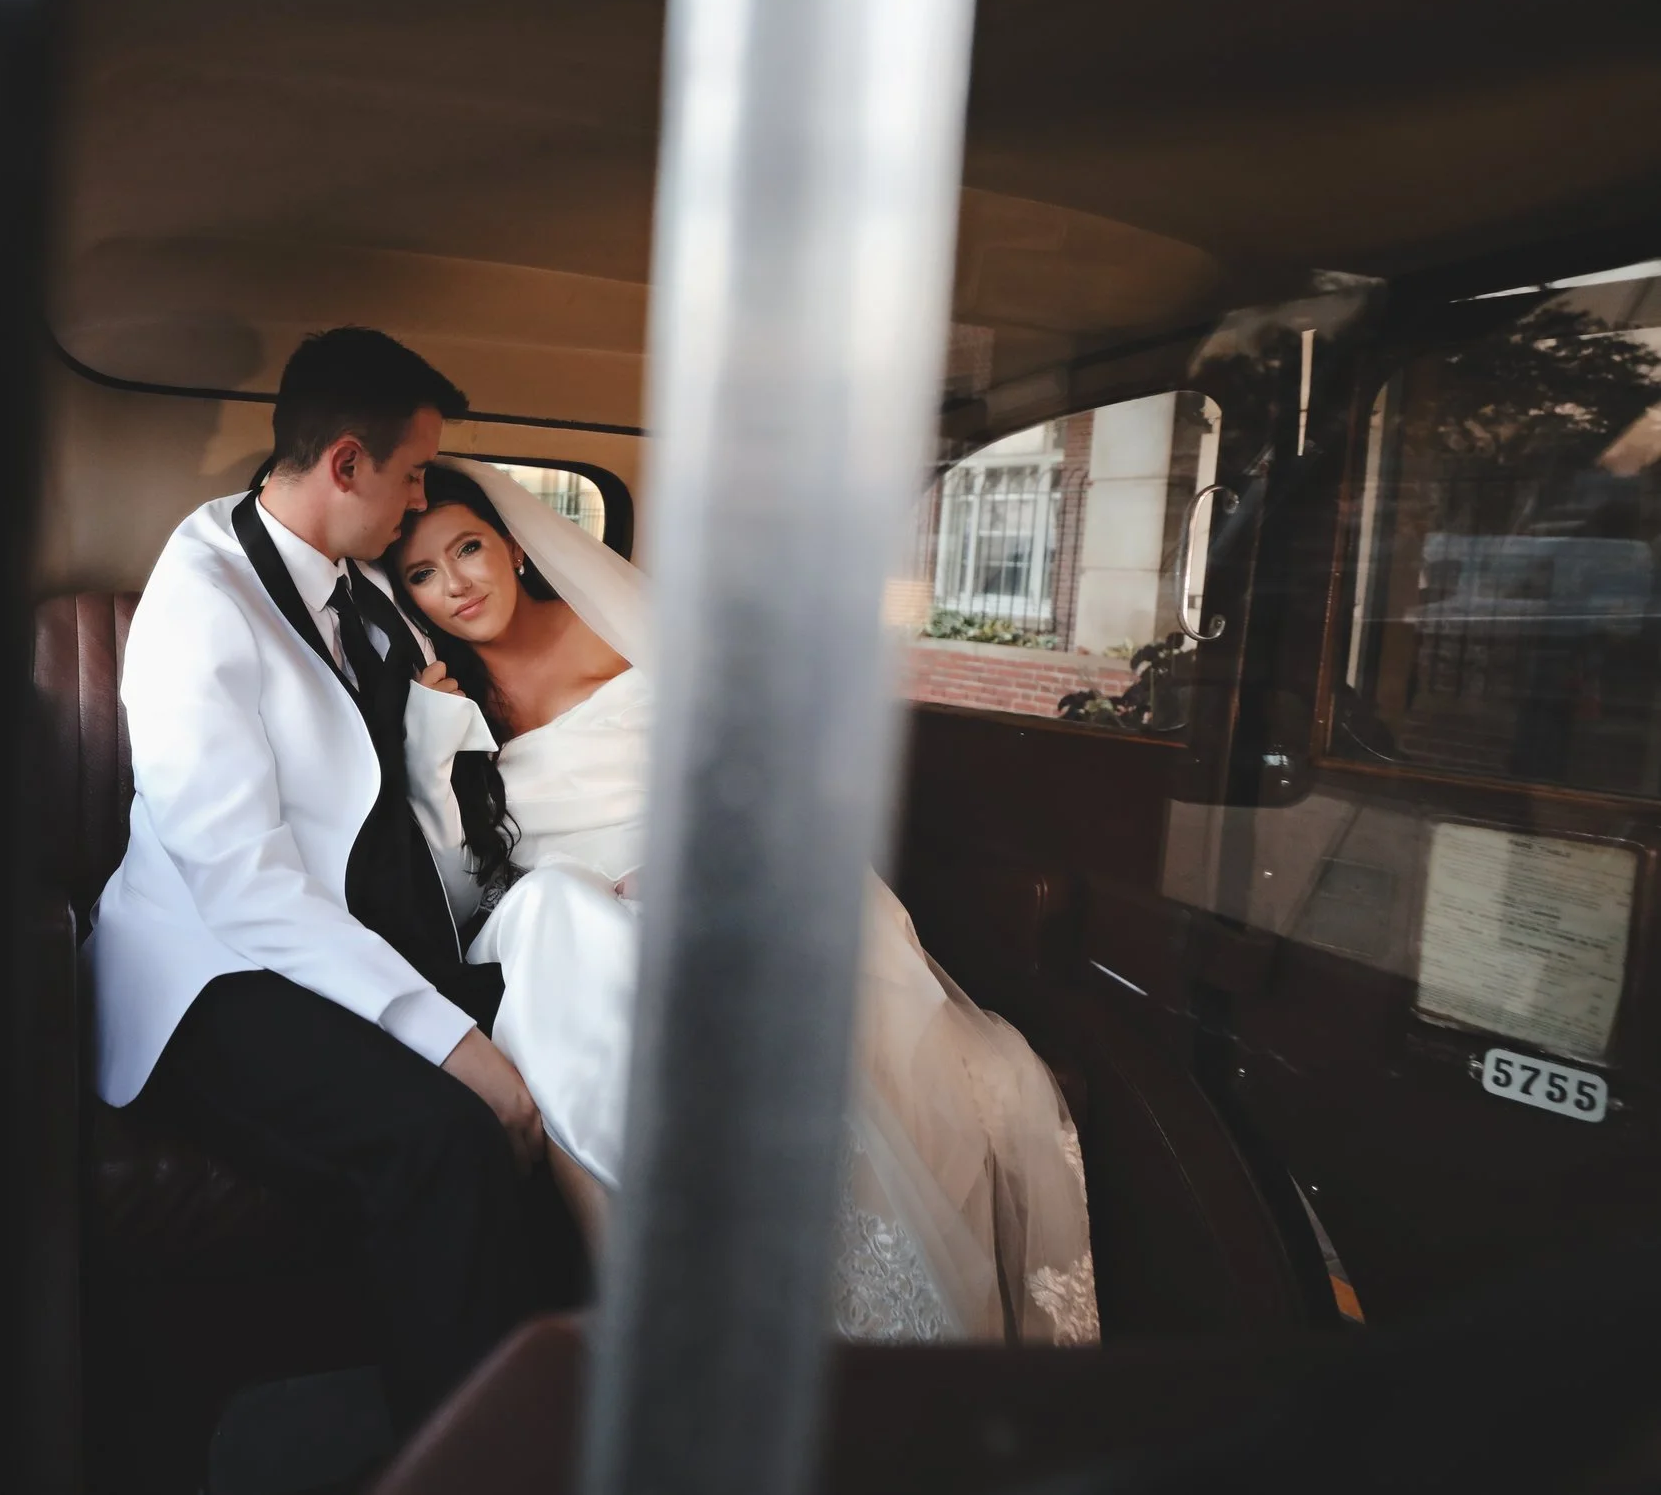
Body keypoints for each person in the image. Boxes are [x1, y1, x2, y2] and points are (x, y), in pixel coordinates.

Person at [387, 460, 1101, 1344]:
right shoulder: (436, 699)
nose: (455, 584)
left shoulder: (633, 633)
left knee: (590, 941)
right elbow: (461, 900)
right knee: (550, 912)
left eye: (468, 549)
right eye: (422, 573)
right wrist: (429, 750)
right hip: (564, 934)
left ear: (515, 548)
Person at [84, 329, 567, 1430]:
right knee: (440, 1135)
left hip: (350, 944)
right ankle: (469, 1458)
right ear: (345, 464)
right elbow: (242, 881)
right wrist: (455, 1042)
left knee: (576, 1039)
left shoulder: (359, 587)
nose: (415, 505)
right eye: (406, 478)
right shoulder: (198, 603)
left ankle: (572, 1401)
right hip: (216, 972)